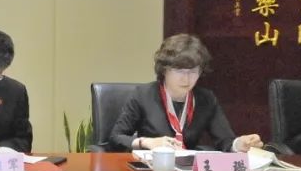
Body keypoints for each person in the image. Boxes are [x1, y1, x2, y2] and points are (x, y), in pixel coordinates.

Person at [108, 33, 263, 153]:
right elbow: (116, 138)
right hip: (152, 170)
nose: (186, 78)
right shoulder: (143, 95)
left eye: (193, 71)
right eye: (179, 71)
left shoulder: (206, 99)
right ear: (164, 70)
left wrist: (239, 144)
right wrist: (147, 142)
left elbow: (225, 140)